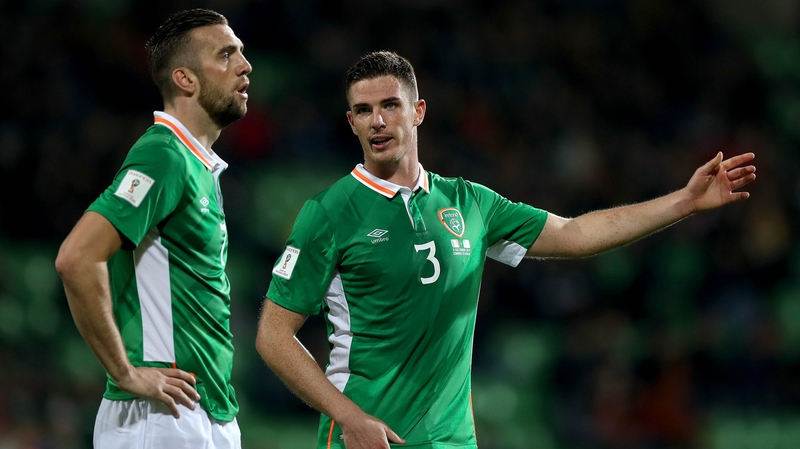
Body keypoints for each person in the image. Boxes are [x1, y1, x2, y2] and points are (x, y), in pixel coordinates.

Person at [255, 50, 755, 449]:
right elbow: (274, 336)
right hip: (367, 440)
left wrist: (684, 202)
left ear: (418, 111)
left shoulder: (469, 202)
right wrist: (349, 417)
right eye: (363, 111)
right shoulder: (329, 212)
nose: (377, 121)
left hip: (452, 441)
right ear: (351, 123)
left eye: (390, 105)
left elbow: (576, 234)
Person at [54, 8, 251, 448]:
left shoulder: (197, 165)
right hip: (159, 417)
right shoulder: (164, 155)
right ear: (186, 79)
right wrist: (124, 373)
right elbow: (77, 258)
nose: (245, 65)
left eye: (241, 52)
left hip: (205, 410)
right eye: (226, 55)